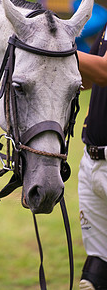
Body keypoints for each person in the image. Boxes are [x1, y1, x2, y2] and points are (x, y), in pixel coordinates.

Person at [77, 22, 107, 290]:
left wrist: (51, 45)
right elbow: (88, 78)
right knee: (96, 270)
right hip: (91, 160)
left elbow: (105, 71)